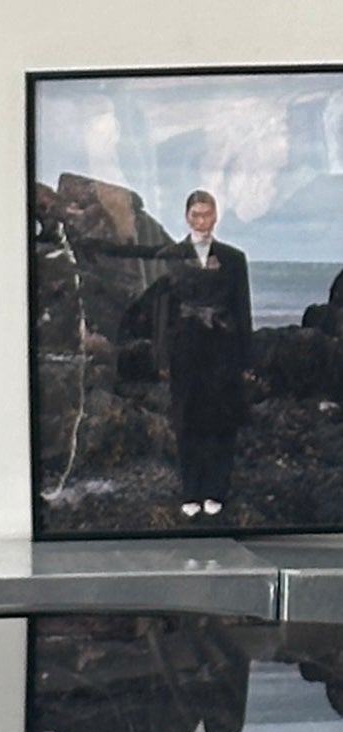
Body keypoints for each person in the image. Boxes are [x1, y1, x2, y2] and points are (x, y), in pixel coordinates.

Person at [141, 188, 255, 518]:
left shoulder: (234, 258)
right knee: (187, 421)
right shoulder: (171, 256)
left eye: (207, 214)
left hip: (223, 350)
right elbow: (162, 311)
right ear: (187, 217)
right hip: (185, 349)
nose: (201, 221)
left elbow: (242, 308)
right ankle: (191, 490)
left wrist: (247, 359)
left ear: (215, 216)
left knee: (222, 421)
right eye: (196, 215)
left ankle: (216, 490)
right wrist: (161, 357)